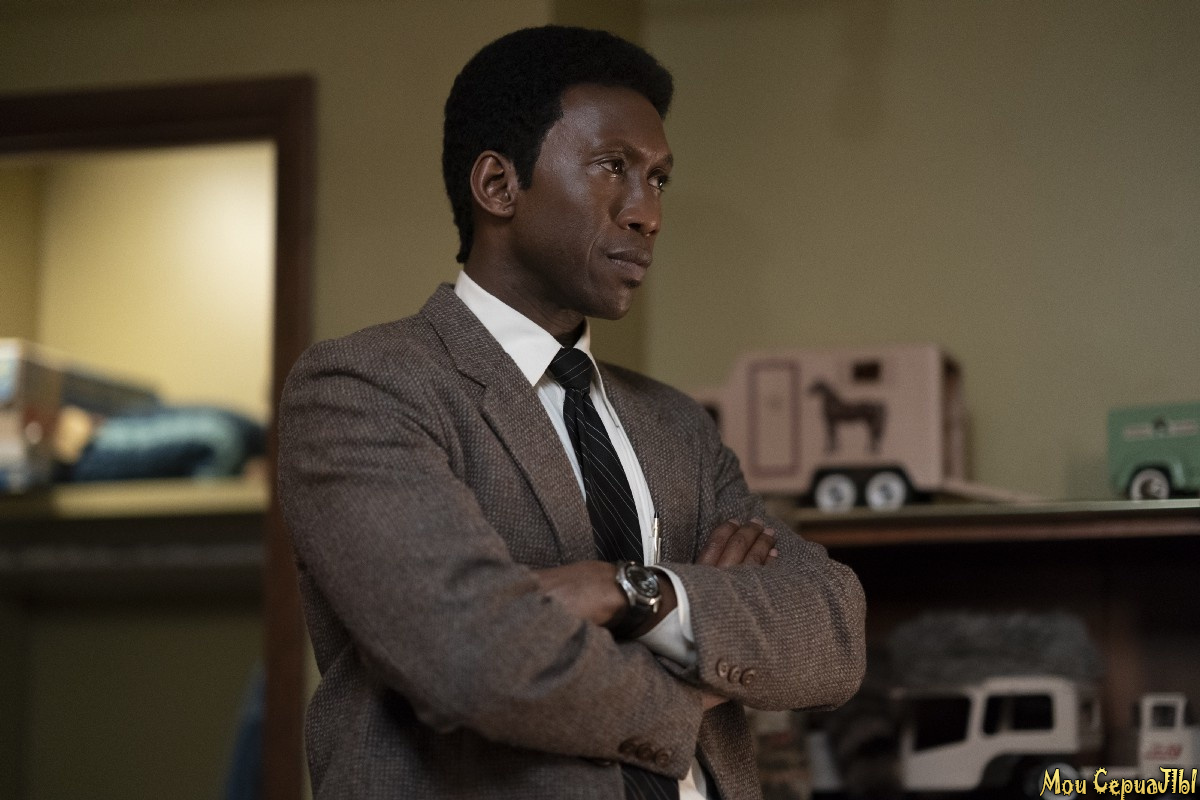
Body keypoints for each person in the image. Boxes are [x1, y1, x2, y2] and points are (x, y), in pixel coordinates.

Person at [277, 25, 865, 800]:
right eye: (613, 167)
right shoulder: (365, 388)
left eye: (659, 179)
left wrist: (632, 591)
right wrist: (695, 671)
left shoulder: (677, 426)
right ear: (498, 185)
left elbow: (832, 630)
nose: (648, 214)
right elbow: (471, 658)